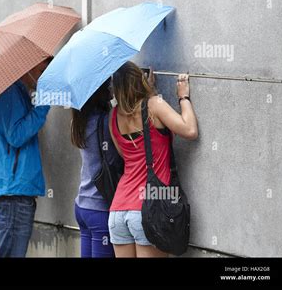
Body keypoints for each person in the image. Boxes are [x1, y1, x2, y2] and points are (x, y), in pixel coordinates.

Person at [108, 61, 198, 258]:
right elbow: (190, 130)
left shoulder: (113, 116)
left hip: (117, 211)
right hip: (148, 209)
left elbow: (127, 155)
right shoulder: (154, 105)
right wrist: (183, 97)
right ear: (140, 80)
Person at [0, 58, 51, 258]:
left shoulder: (17, 92)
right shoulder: (10, 92)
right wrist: (43, 105)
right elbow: (16, 135)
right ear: (27, 68)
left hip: (15, 191)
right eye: (41, 71)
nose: (42, 78)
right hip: (12, 192)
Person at [70, 79, 117, 258]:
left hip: (82, 206)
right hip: (99, 207)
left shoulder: (79, 121)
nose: (112, 89)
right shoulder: (105, 122)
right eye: (109, 85)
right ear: (100, 92)